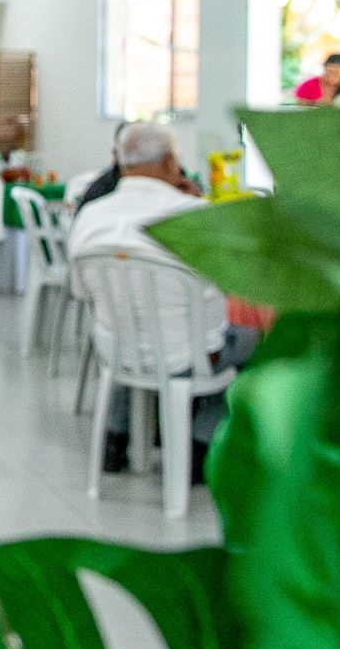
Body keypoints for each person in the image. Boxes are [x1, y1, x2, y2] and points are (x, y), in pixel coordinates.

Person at [67, 122, 254, 473]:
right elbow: (228, 283)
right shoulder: (194, 215)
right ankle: (201, 445)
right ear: (170, 164)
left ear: (121, 161)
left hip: (116, 351)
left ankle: (115, 436)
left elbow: (80, 292)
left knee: (134, 325)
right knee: (255, 344)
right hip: (187, 355)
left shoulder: (91, 216)